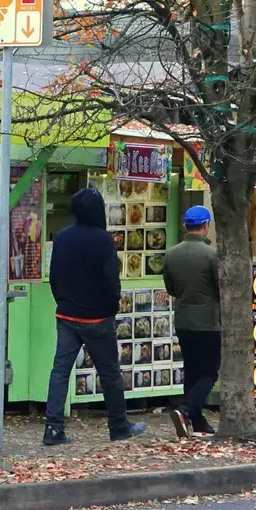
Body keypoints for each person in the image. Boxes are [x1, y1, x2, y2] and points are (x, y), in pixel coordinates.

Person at [43, 187, 146, 446]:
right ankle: (119, 425)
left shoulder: (63, 237)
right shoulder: (103, 240)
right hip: (98, 317)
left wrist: (63, 302)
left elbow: (54, 277)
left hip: (67, 315)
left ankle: (53, 428)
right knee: (109, 372)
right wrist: (111, 307)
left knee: (60, 371)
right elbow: (111, 281)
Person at [163, 205, 221, 438]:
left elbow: (171, 288)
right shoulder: (212, 255)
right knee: (209, 373)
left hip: (183, 319)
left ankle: (196, 422)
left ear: (186, 225)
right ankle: (186, 410)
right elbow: (220, 288)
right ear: (206, 226)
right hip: (207, 321)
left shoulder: (171, 254)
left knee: (192, 370)